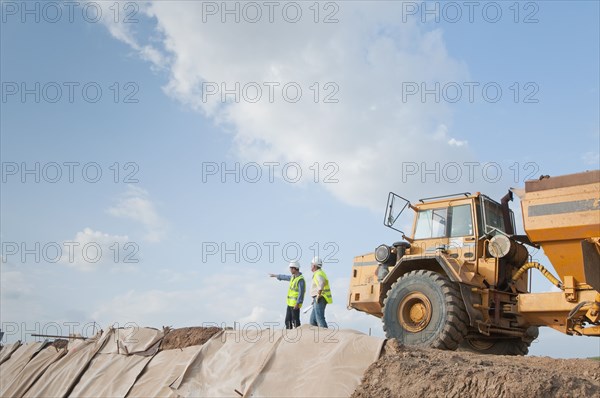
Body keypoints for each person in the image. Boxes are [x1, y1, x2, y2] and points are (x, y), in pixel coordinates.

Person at [269, 261, 306, 329]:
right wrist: (276, 276)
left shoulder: (300, 279)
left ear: (294, 268)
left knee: (296, 321)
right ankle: (289, 335)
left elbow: (301, 292)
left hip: (295, 304)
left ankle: (299, 335)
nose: (290, 270)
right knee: (287, 321)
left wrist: (298, 303)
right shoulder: (293, 277)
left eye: (290, 268)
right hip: (290, 303)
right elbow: (285, 277)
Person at [309, 256, 332, 328]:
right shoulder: (319, 273)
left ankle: (325, 335)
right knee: (313, 321)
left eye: (311, 264)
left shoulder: (318, 273)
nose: (311, 265)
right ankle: (316, 336)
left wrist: (318, 295)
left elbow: (321, 283)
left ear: (314, 266)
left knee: (320, 319)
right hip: (317, 298)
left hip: (320, 298)